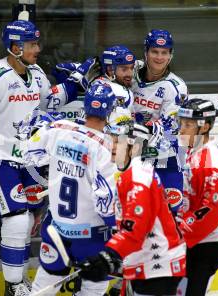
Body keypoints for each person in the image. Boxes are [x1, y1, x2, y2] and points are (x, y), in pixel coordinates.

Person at [0, 19, 99, 296]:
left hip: (30, 160)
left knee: (30, 222)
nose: (37, 49)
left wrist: (74, 84)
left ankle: (21, 280)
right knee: (16, 219)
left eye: (36, 43)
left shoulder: (36, 73)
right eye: (32, 45)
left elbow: (47, 102)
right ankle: (13, 286)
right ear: (15, 47)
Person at [78, 107, 186, 296]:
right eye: (111, 139)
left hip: (158, 269)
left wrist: (108, 256)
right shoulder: (128, 174)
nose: (111, 146)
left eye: (118, 142)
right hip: (146, 264)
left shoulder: (138, 178)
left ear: (134, 148)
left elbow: (135, 228)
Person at [23, 83, 118, 296]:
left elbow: (30, 154)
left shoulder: (58, 129)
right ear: (110, 110)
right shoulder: (107, 148)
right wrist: (119, 232)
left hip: (56, 227)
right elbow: (106, 202)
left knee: (42, 289)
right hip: (91, 235)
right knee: (92, 291)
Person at [176, 98, 218, 296]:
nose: (182, 129)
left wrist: (181, 228)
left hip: (210, 242)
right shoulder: (197, 147)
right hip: (199, 236)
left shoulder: (212, 162)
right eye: (182, 123)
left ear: (204, 127)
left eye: (188, 125)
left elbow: (211, 209)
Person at [131, 29, 188, 214]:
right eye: (155, 51)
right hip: (131, 155)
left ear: (171, 55)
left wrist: (140, 126)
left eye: (164, 53)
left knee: (168, 215)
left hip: (164, 158)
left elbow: (168, 128)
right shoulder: (129, 70)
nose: (159, 57)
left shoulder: (176, 88)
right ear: (146, 52)